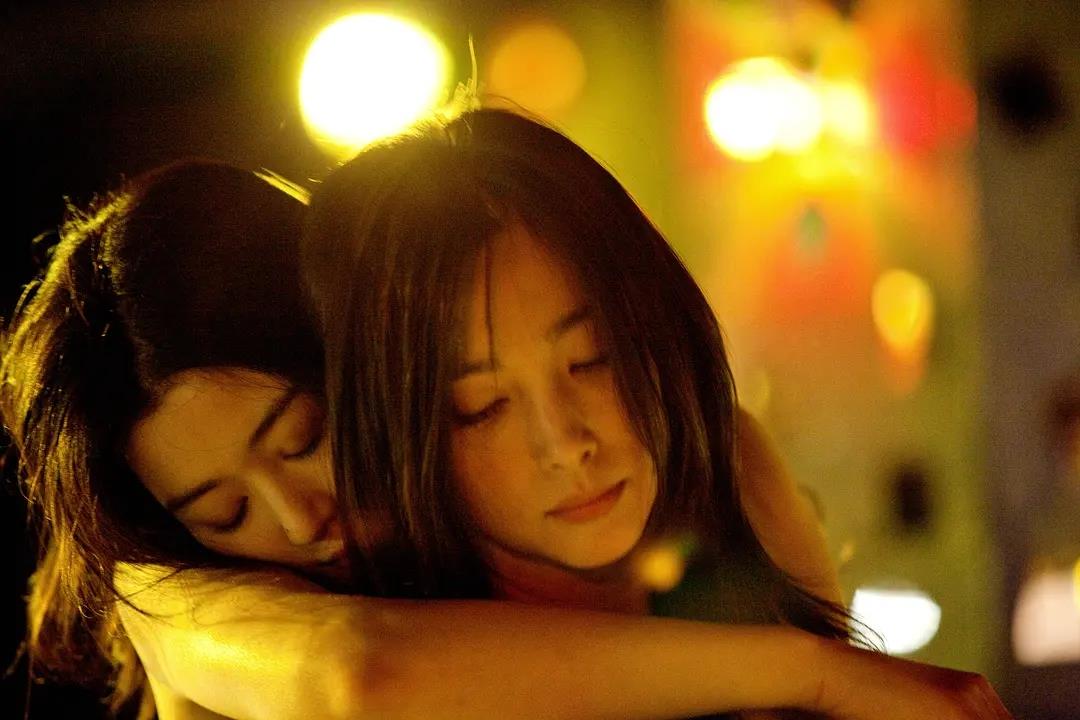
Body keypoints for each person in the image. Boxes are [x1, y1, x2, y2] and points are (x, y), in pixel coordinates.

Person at [2, 159, 1008, 720]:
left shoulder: (676, 469)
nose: (297, 520)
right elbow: (365, 674)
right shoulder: (177, 595)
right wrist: (810, 669)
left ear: (373, 359)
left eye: (304, 437)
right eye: (222, 509)